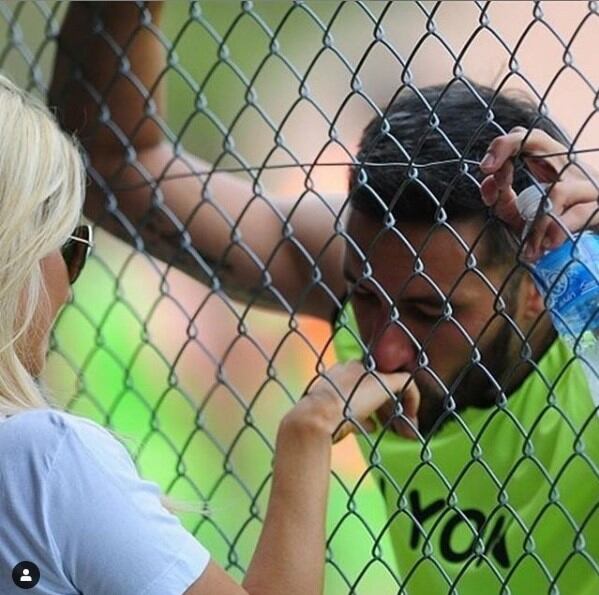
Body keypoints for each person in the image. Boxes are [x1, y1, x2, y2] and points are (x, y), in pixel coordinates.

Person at [50, 2, 599, 593]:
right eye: (363, 297)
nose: (386, 350)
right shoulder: (380, 265)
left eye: (432, 311)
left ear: (538, 283)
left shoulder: (583, 323)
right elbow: (114, 168)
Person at [0, 71, 419, 595]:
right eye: (70, 245)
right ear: (14, 252)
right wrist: (309, 429)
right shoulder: (41, 461)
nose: (70, 287)